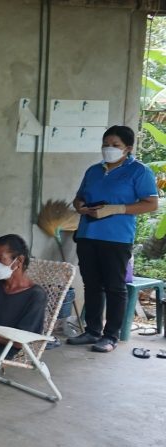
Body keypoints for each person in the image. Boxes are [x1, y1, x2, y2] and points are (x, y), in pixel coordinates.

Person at [67, 125, 159, 353]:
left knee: (115, 286)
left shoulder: (139, 171)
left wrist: (117, 208)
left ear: (128, 148)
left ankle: (110, 336)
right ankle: (92, 331)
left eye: (115, 145)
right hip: (88, 234)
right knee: (91, 284)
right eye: (105, 144)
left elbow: (151, 203)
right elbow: (79, 197)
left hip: (116, 238)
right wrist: (80, 207)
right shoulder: (93, 170)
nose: (109, 149)